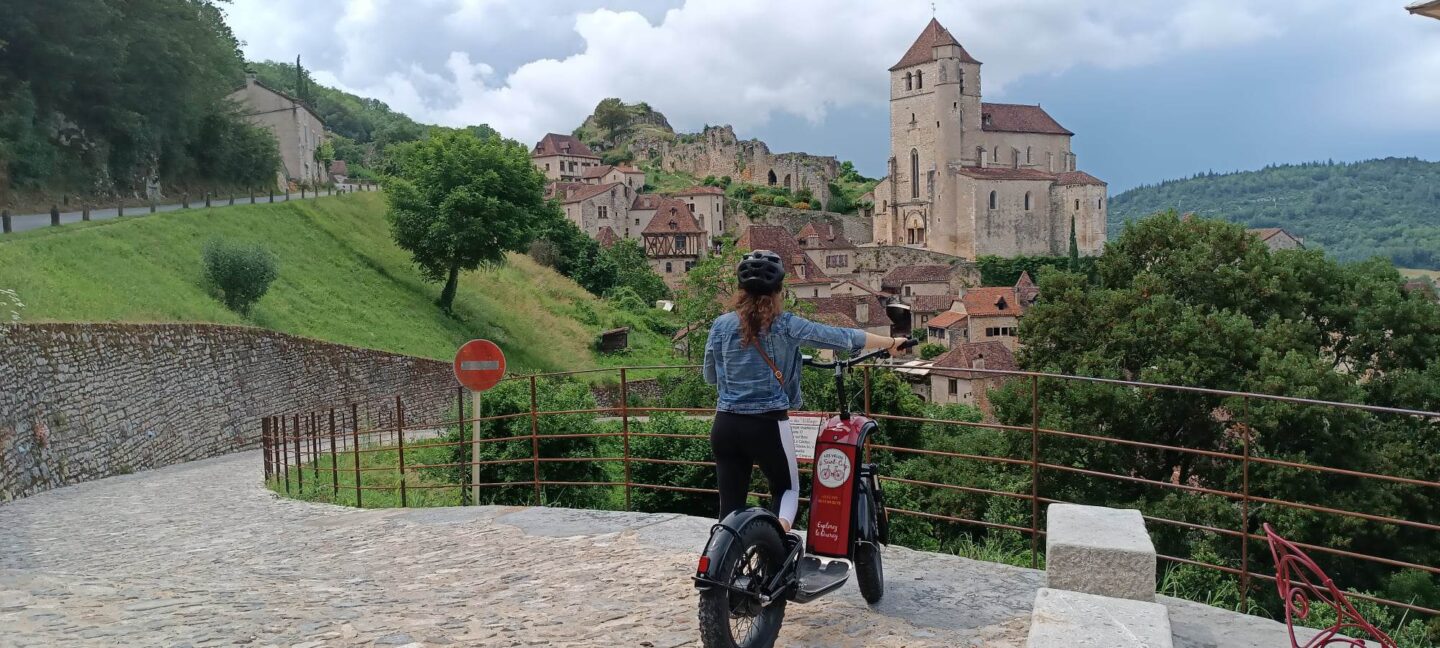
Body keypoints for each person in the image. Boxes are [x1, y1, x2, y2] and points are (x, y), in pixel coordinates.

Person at [703, 250, 909, 533]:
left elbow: (710, 376)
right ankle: (774, 551)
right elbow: (841, 337)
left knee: (729, 508)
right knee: (787, 490)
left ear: (740, 291)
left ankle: (721, 565)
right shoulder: (786, 325)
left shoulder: (720, 325)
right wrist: (890, 342)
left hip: (725, 424)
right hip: (768, 423)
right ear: (779, 291)